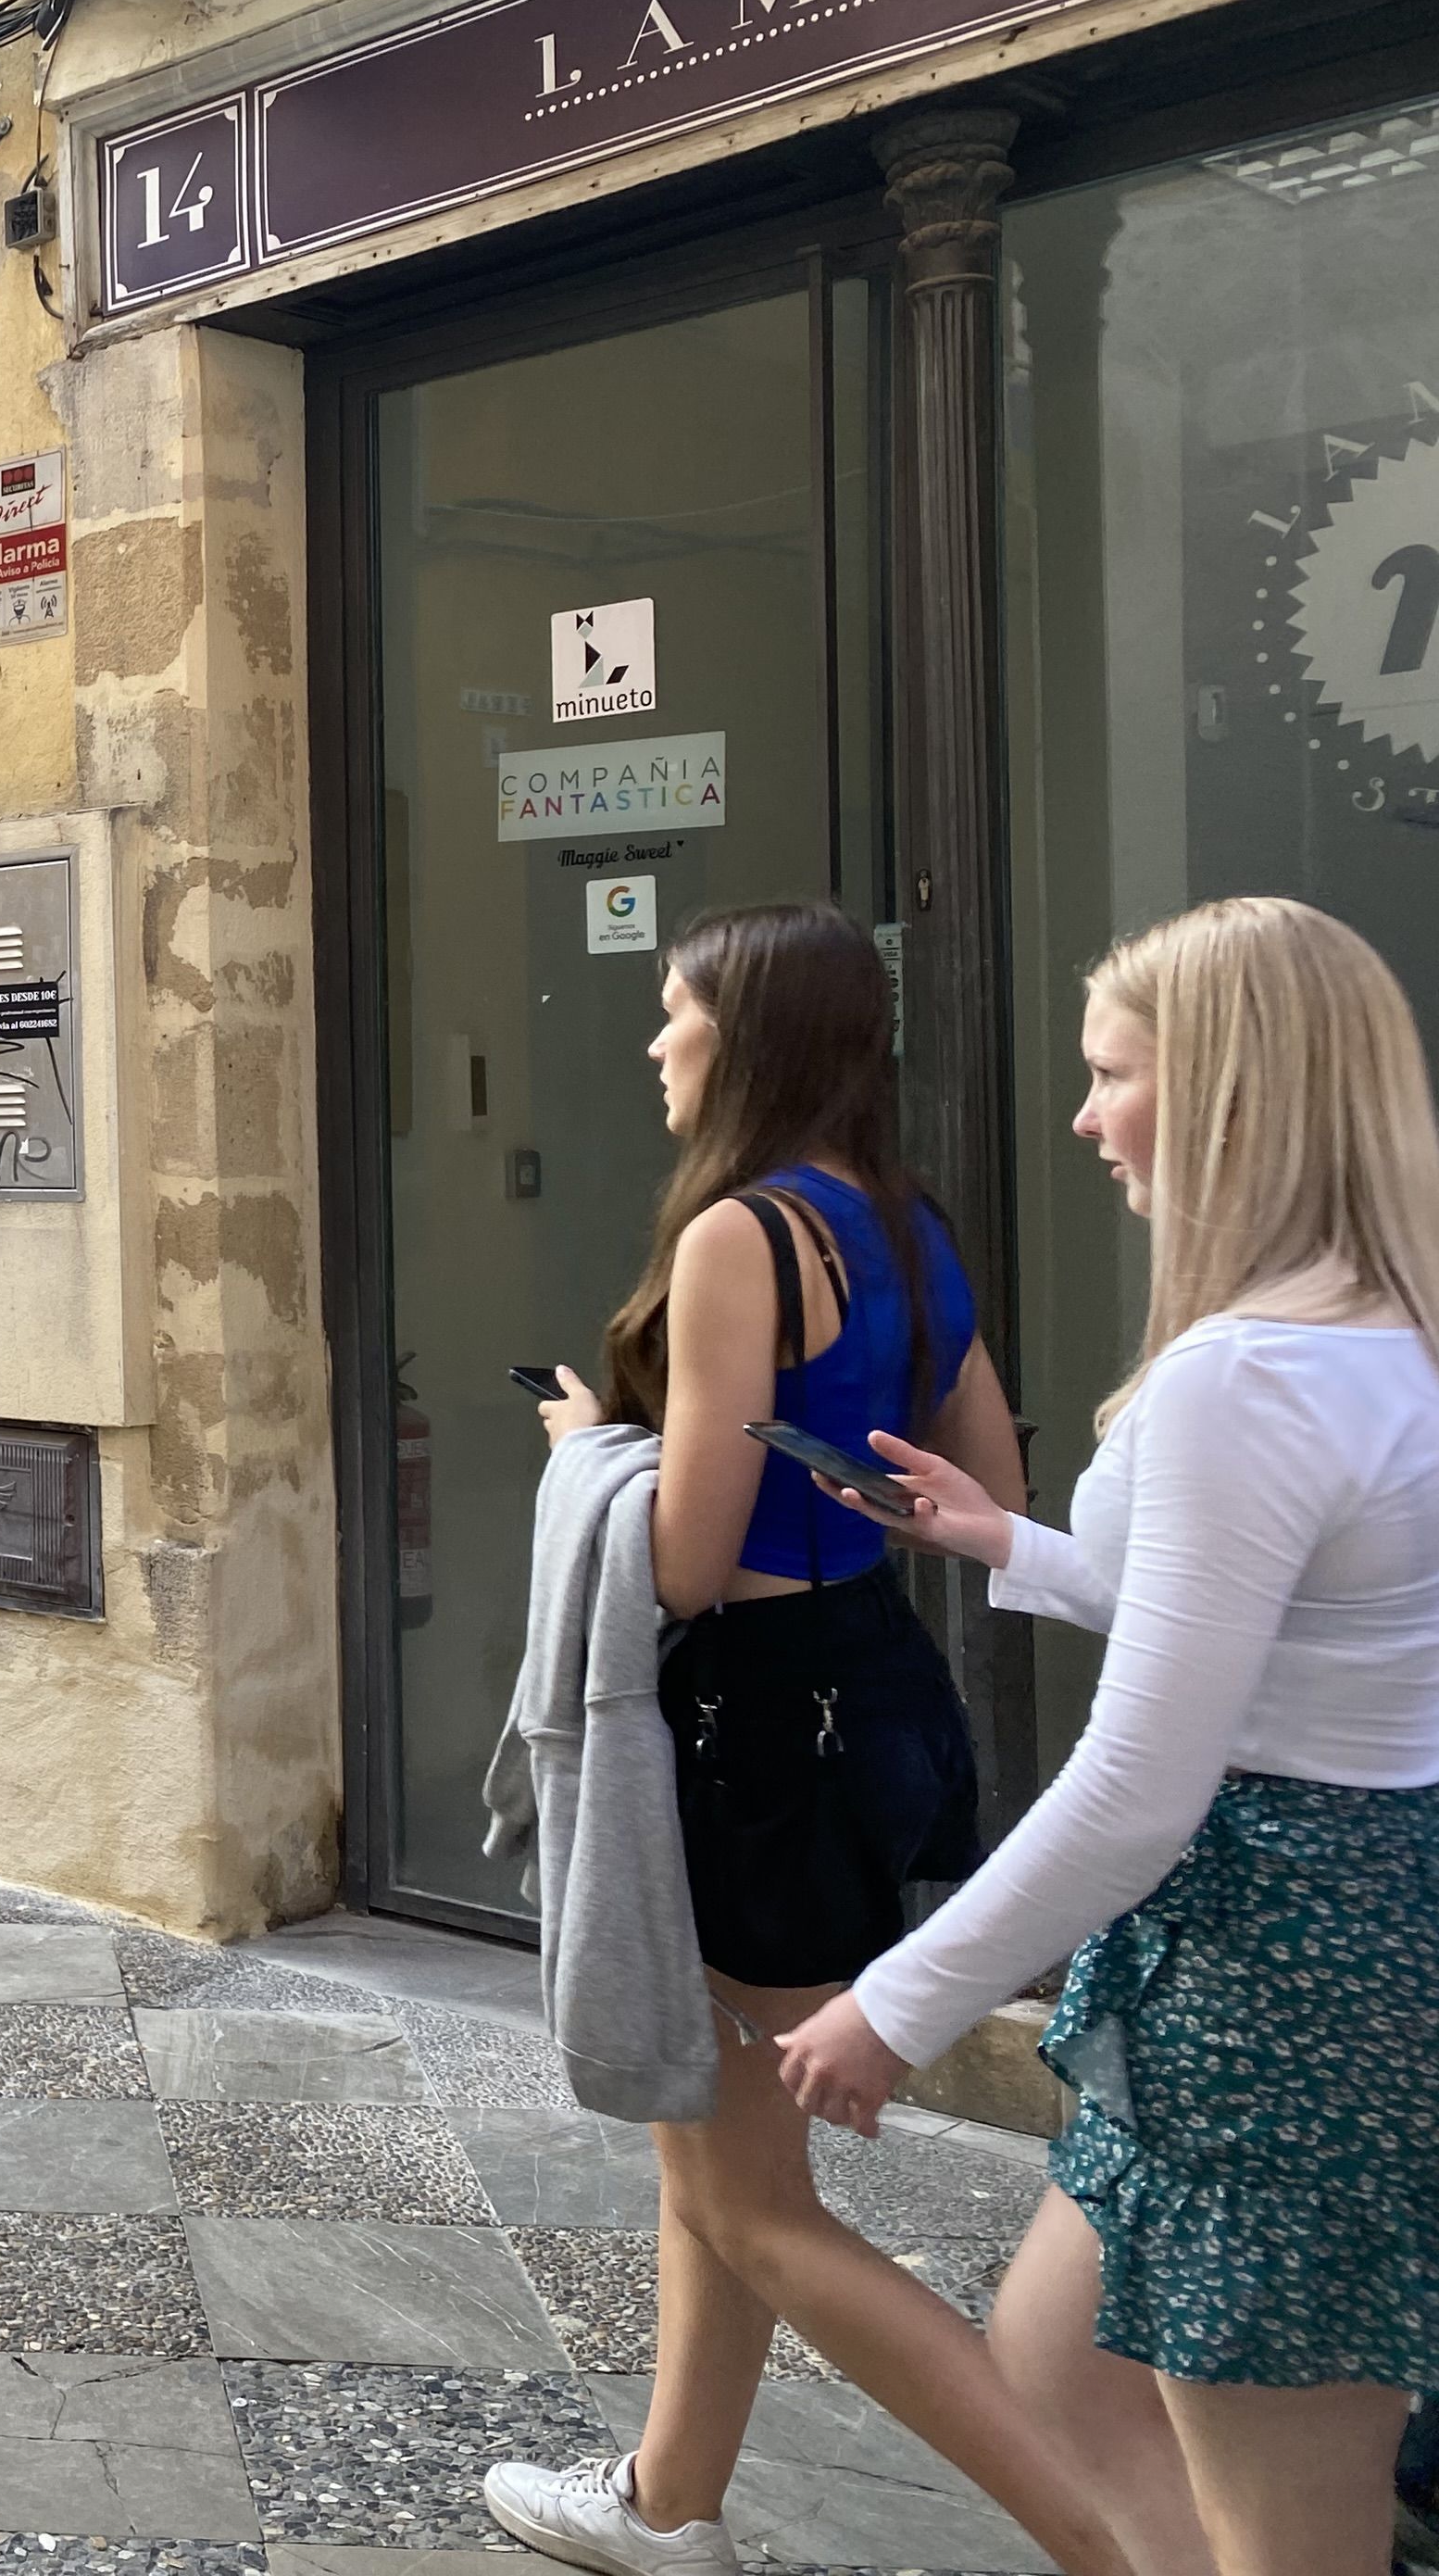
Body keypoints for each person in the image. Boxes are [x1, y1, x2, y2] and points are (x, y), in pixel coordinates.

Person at [778, 897, 1439, 2576]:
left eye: (1114, 1075)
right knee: (1062, 2362)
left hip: (1277, 1977)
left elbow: (1142, 1782)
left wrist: (899, 2001)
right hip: (1359, 1932)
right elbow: (1300, 1628)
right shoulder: (1384, 1331)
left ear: (1231, 1096)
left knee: (1288, 2518)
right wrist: (1009, 1541)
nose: (1083, 1119)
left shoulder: (1245, 1375)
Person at [489, 901, 1128, 2576]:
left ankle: (1115, 2543)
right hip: (875, 1688)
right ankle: (667, 2501)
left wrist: (588, 1450)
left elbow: (687, 1563)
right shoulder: (911, 1226)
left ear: (747, 1035)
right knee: (720, 2157)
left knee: (750, 2197)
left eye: (675, 1012)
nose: (654, 1044)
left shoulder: (737, 1235)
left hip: (748, 1722)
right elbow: (982, 1491)